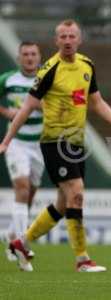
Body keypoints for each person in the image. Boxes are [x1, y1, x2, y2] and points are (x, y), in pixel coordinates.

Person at [0, 19, 111, 272]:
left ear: (79, 39)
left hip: (75, 143)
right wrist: (7, 140)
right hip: (54, 142)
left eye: (72, 36)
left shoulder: (87, 66)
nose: (67, 40)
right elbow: (27, 107)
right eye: (62, 36)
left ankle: (21, 242)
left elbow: (97, 102)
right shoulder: (49, 69)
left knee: (64, 204)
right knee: (77, 192)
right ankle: (82, 259)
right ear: (56, 41)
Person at [0, 42, 43, 262]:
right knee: (22, 188)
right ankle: (20, 243)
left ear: (39, 57)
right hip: (16, 142)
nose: (29, 58)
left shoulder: (46, 79)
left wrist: (41, 105)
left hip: (40, 144)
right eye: (25, 54)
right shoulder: (8, 79)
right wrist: (8, 112)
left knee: (30, 193)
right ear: (18, 58)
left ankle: (9, 235)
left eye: (33, 54)